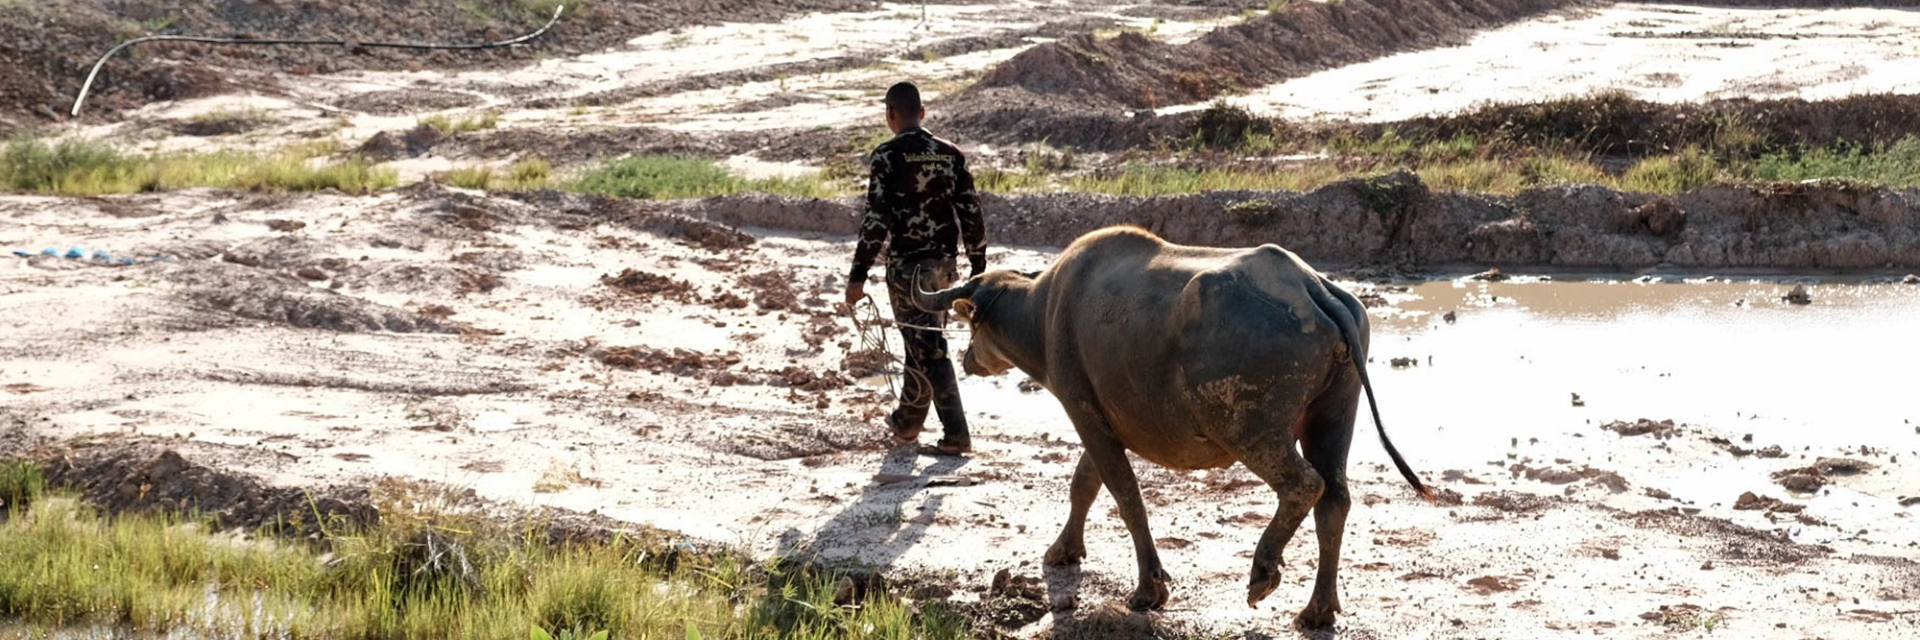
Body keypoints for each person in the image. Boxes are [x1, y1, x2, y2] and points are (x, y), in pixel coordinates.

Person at [843, 81, 987, 457]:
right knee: (919, 340)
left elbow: (876, 220)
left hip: (909, 268)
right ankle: (908, 422)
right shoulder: (949, 153)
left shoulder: (887, 156)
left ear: (890, 114)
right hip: (944, 266)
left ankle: (957, 434)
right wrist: (978, 262)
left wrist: (857, 276)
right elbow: (970, 209)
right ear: (922, 113)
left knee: (930, 347)